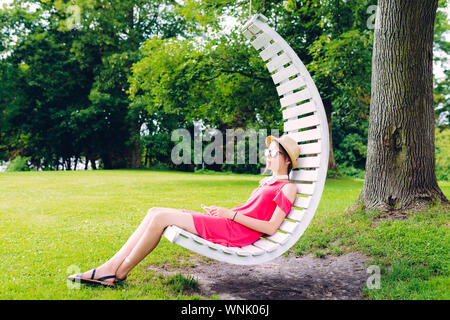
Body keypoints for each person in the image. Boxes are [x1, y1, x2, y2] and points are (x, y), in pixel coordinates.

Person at [68, 134, 300, 287]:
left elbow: (270, 227)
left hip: (237, 232)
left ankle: (115, 271)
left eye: (273, 152)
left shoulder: (287, 188)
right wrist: (226, 213)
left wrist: (230, 215)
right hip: (231, 223)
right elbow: (251, 210)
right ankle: (112, 269)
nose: (267, 156)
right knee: (153, 211)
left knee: (160, 217)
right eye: (267, 152)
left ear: (287, 160)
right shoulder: (266, 182)